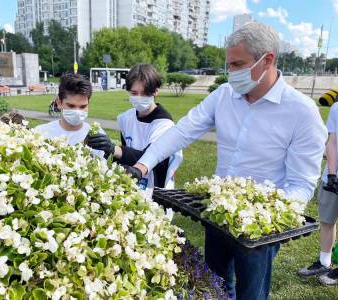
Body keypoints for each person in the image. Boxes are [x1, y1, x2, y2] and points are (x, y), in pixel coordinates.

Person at [129, 23, 327, 299]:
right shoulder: (224, 96)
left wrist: (264, 217)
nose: (231, 72)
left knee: (251, 294)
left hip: (259, 232)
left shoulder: (302, 113)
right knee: (215, 285)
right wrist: (142, 165)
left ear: (267, 60)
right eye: (229, 65)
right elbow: (183, 131)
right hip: (217, 212)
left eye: (238, 65)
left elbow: (302, 183)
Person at [86, 64, 183, 197]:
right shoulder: (126, 118)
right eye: (134, 93)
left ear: (155, 91)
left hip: (156, 186)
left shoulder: (164, 123)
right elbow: (125, 152)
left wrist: (114, 149)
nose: (139, 97)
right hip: (132, 184)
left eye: (144, 93)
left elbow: (152, 157)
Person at [298, 102, 338, 285]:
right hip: (332, 178)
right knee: (327, 221)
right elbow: (332, 141)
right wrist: (331, 174)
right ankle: (324, 263)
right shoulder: (337, 107)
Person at [34, 74, 103, 155]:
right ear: (59, 102)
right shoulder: (41, 133)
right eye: (71, 106)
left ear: (88, 104)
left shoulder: (97, 136)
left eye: (83, 106)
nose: (77, 112)